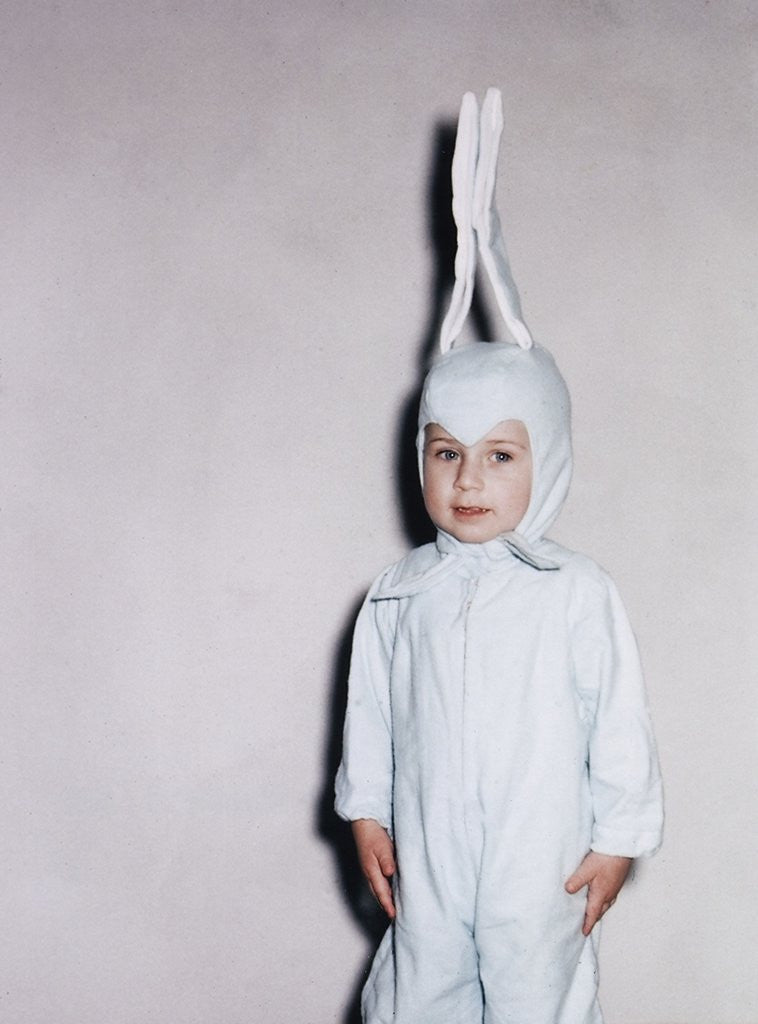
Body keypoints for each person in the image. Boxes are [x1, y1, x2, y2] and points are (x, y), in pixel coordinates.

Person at [334, 89, 663, 1024]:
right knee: (421, 978)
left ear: (546, 459)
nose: (469, 481)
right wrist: (366, 813)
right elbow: (371, 712)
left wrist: (619, 839)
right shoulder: (398, 596)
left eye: (501, 455)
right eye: (448, 453)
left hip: (541, 853)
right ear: (422, 457)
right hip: (430, 849)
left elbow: (619, 724)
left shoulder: (577, 592)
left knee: (536, 988)